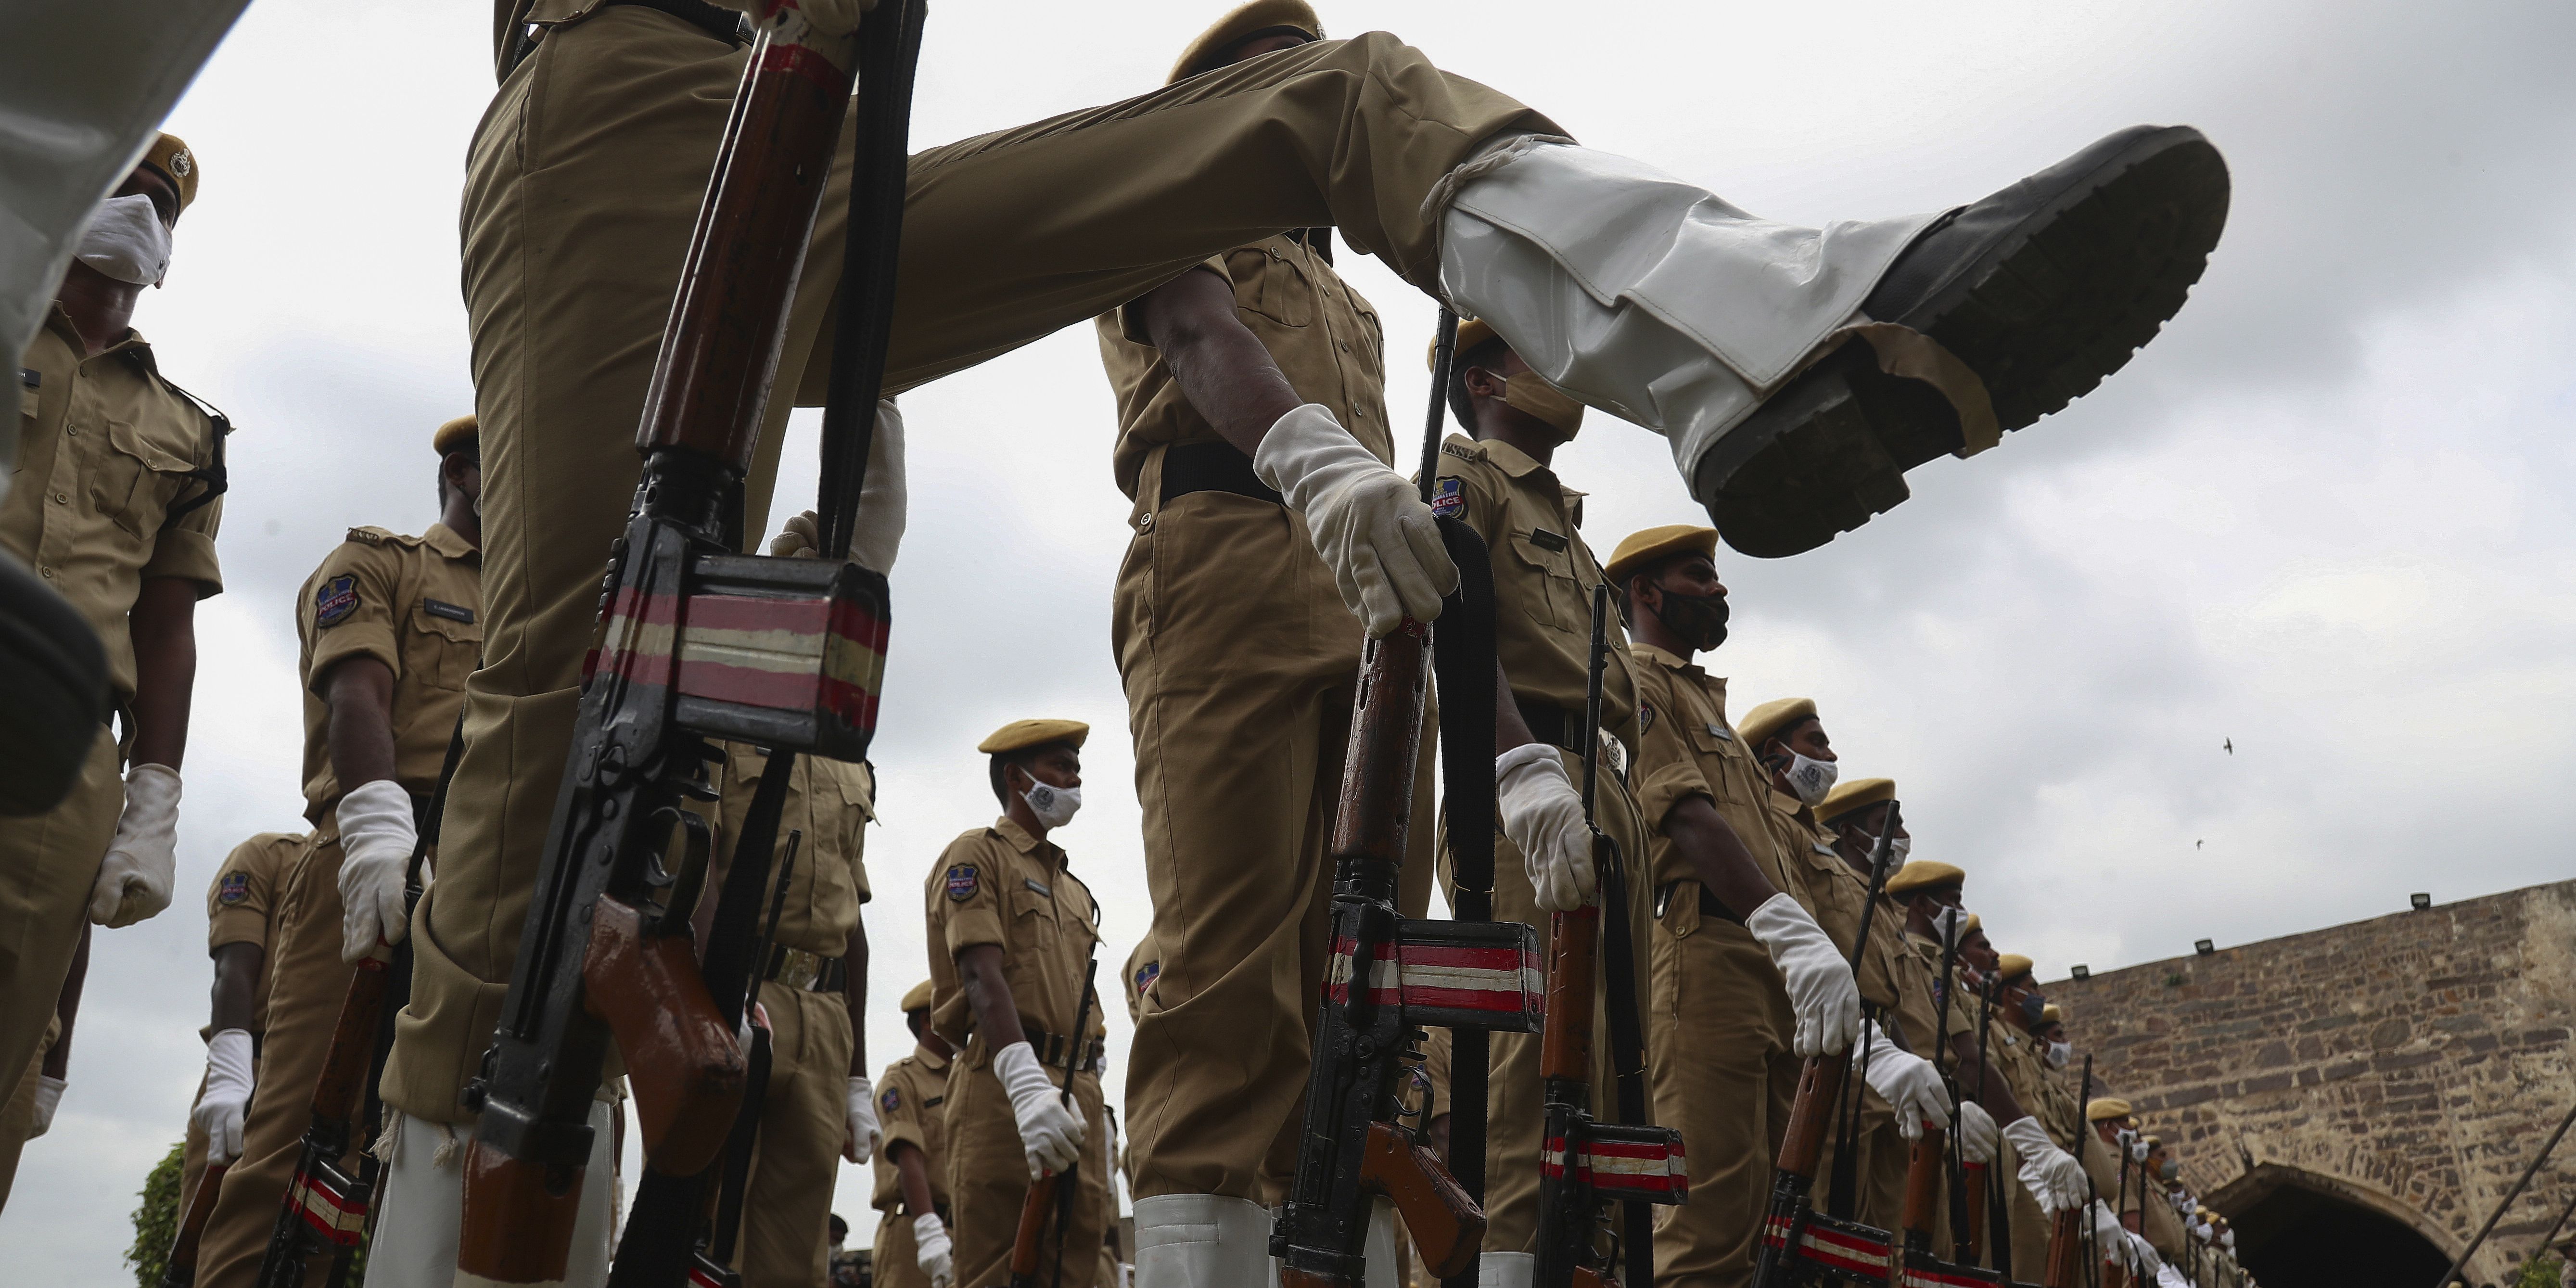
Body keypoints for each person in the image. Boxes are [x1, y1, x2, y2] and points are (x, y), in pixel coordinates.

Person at [397, 0, 2227, 1269]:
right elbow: (1186, 324)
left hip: (801, 121)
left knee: (1336, 96)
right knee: (562, 746)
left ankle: (1778, 330)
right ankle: (436, 1230)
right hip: (631, 104)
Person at [1095, 12, 1440, 1275]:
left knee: (1365, 1000)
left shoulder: (1353, 300)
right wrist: (1313, 458)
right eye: (1271, 86)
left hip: (1365, 600)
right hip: (1226, 559)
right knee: (1231, 986)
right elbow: (1197, 334)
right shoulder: (1166, 202)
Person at [194, 416, 484, 1288]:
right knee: (296, 1142)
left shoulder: (547, 601)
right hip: (379, 849)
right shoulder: (384, 564)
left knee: (462, 1151)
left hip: (496, 874)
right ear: (466, 472)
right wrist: (376, 826)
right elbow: (359, 690)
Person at [0, 133, 224, 1205]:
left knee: (8, 1040)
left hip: (63, 754)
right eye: (125, 191)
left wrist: (156, 796)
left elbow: (169, 623)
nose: (141, 215)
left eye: (162, 208)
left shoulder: (186, 433)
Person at [1426, 319, 1667, 1282]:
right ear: (1483, 379)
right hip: (1525, 775)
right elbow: (1453, 618)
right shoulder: (1464, 473)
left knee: (1612, 1074)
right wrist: (1520, 767)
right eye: (1536, 356)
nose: (1564, 374)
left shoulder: (1571, 529)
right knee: (1528, 1085)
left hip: (1604, 789)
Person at [1603, 523, 1860, 1287]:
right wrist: (1788, 927)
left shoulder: (1705, 703)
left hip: (1766, 971)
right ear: (1644, 594)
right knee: (1708, 1224)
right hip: (1705, 952)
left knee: (1772, 1230)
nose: (1717, 592)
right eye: (1696, 577)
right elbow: (1683, 815)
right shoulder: (1636, 682)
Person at [706, 514, 884, 1288]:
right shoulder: (727, 719)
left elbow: (854, 926)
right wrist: (714, 1005)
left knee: (795, 1256)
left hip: (821, 1016)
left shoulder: (848, 753)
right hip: (744, 995)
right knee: (705, 1228)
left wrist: (856, 1071)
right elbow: (701, 874)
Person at [924, 720, 1110, 1288]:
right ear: (1015, 776)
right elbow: (980, 976)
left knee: (1075, 1265)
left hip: (1078, 1088)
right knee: (999, 1266)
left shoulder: (1074, 889)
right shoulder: (978, 855)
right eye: (1060, 763)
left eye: (1077, 765)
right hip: (1007, 1081)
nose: (1074, 775)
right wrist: (1025, 1083)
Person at [1812, 776, 1962, 1231]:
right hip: (1855, 1074)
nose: (1901, 838)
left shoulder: (1880, 907)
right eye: (1887, 825)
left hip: (1903, 1083)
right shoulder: (1838, 886)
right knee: (1841, 1232)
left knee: (1894, 1247)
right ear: (1850, 833)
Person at [175, 830, 305, 1222]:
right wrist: (232, 1073)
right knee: (213, 1238)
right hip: (255, 1069)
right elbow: (233, 971)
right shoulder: (273, 857)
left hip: (345, 1082)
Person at [876, 981, 957, 1288]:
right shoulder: (902, 1079)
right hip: (916, 1231)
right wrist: (929, 1231)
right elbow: (908, 1157)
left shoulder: (965, 1080)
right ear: (928, 1021)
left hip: (964, 1235)